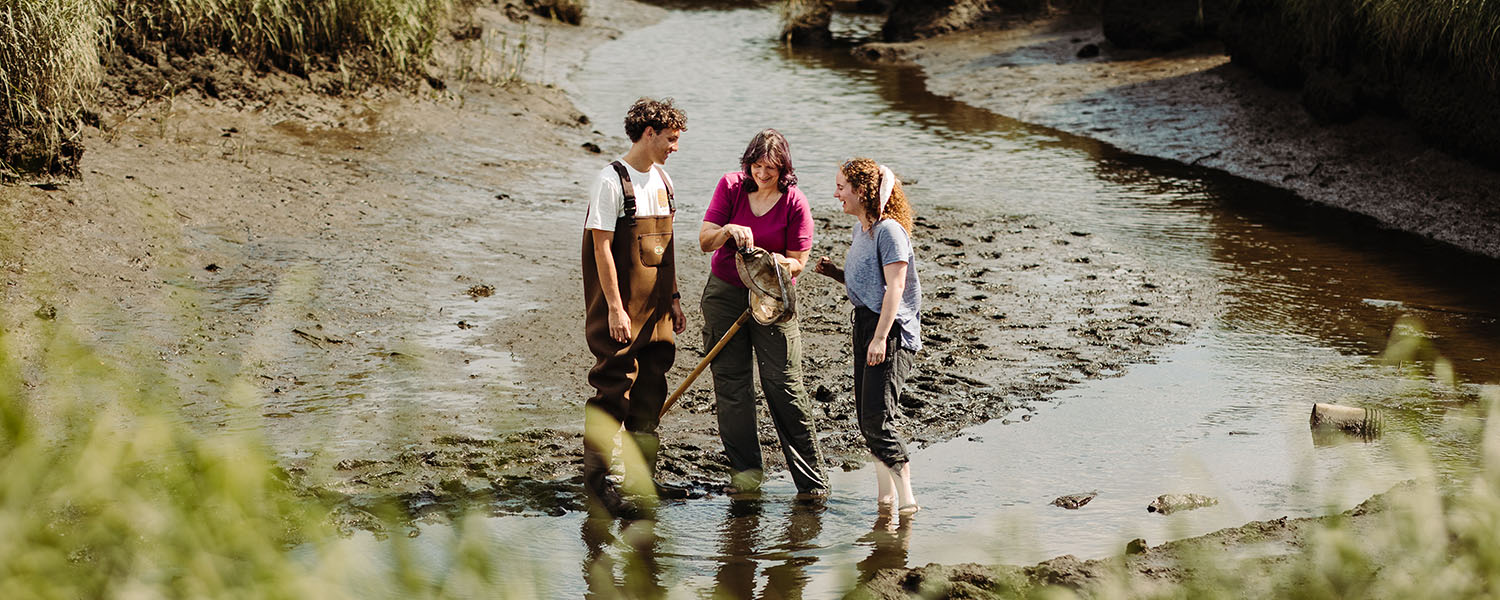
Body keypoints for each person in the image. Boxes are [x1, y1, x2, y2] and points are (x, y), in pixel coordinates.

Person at [697, 128, 828, 497]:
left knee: (784, 387)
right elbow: (705, 240)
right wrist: (727, 231)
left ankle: (812, 486)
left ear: (784, 168)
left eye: (771, 168)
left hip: (773, 301)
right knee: (732, 387)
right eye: (757, 165)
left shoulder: (794, 203)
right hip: (725, 296)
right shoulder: (731, 187)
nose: (763, 174)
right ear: (748, 163)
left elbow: (799, 262)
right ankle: (746, 479)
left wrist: (774, 263)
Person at [581, 97, 689, 516]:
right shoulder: (611, 182)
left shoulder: (663, 181)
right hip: (621, 310)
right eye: (671, 139)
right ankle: (597, 485)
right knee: (613, 392)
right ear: (649, 133)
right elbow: (602, 249)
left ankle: (641, 480)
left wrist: (675, 300)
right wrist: (614, 308)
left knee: (650, 393)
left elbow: (668, 248)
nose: (674, 147)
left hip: (658, 311)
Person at [814, 157, 922, 514]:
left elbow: (896, 287)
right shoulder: (862, 230)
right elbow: (868, 283)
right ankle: (885, 499)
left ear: (862, 191)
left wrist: (880, 338)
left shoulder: (890, 231)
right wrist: (836, 274)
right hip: (865, 323)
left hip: (889, 332)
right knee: (865, 417)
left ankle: (907, 499)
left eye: (841, 187)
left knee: (878, 418)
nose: (836, 194)